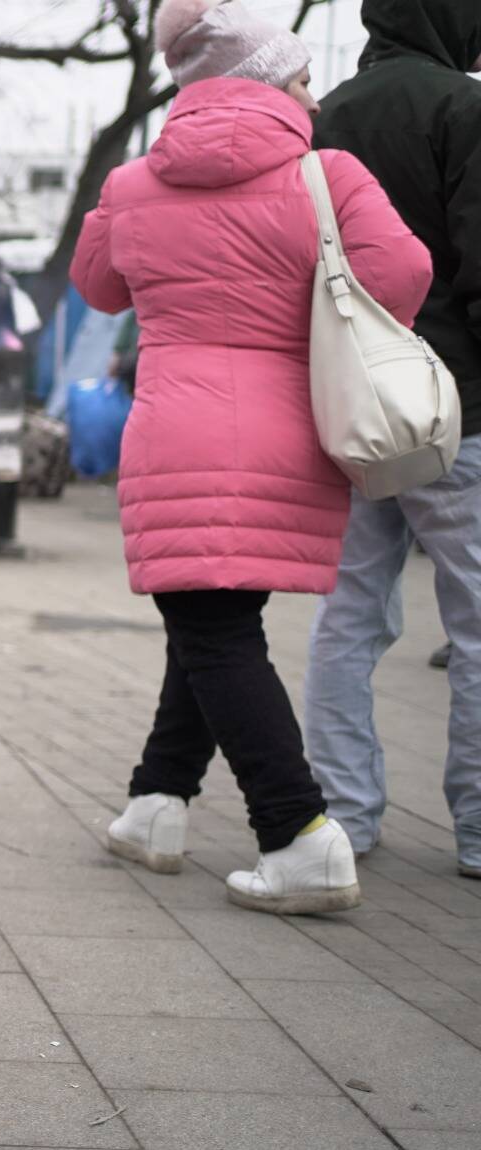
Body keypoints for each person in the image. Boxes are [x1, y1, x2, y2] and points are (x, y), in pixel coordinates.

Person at [72, 0, 432, 912]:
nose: (313, 92)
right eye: (304, 76)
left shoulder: (133, 183)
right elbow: (406, 271)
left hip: (176, 430)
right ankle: (158, 800)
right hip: (289, 430)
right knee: (216, 620)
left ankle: (297, 833)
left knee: (212, 625)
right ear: (270, 82)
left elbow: (96, 287)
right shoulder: (327, 175)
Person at [302, 0, 481, 880]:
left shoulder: (324, 114)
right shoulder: (465, 107)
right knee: (478, 625)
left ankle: (343, 812)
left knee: (348, 616)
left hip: (349, 412)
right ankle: (480, 828)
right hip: (459, 409)